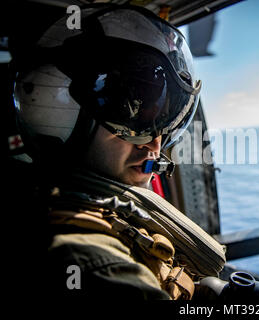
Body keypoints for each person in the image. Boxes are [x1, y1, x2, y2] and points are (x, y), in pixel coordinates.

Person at [9, 4, 225, 301]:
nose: (155, 144)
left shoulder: (93, 208)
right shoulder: (93, 264)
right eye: (133, 115)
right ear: (62, 109)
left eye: (166, 118)